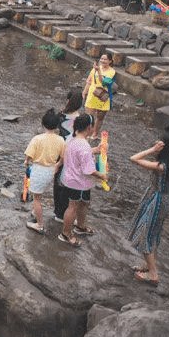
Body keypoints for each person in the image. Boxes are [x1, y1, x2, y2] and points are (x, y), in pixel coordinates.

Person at [127, 135, 169, 285]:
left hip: (155, 201)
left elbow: (133, 158)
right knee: (153, 234)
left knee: (145, 234)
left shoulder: (161, 167)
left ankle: (153, 274)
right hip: (164, 201)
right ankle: (148, 267)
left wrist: (152, 150)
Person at [59, 113, 107, 248]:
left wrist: (94, 150)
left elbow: (79, 154)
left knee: (84, 203)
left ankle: (80, 226)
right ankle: (66, 234)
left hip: (73, 179)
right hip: (78, 182)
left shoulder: (71, 139)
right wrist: (102, 175)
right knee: (73, 206)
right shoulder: (84, 146)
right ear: (89, 128)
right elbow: (88, 170)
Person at [24, 109, 67, 234]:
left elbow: (29, 156)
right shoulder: (60, 140)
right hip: (50, 171)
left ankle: (39, 225)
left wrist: (26, 162)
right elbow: (63, 157)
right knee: (40, 192)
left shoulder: (37, 139)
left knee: (36, 198)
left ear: (43, 124)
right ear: (57, 125)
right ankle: (36, 211)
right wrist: (58, 165)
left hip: (39, 170)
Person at [54, 87, 85, 222]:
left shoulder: (59, 116)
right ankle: (68, 211)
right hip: (73, 153)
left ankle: (59, 213)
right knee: (70, 182)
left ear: (67, 100)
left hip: (60, 151)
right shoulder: (82, 119)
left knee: (58, 182)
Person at [82, 54, 115, 134]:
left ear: (110, 61)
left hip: (102, 96)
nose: (103, 61)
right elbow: (89, 81)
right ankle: (86, 132)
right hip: (92, 94)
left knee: (99, 118)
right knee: (88, 115)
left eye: (105, 59)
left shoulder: (112, 72)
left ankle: (95, 134)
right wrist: (84, 91)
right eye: (101, 58)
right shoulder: (95, 69)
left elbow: (104, 83)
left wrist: (98, 71)